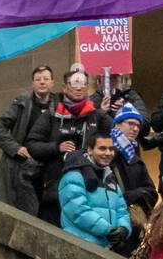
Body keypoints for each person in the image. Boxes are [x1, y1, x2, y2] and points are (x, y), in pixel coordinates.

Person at [25, 68, 112, 226]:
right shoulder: (51, 114)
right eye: (74, 84)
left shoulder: (97, 116)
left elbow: (112, 143)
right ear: (65, 87)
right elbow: (32, 144)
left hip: (89, 188)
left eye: (83, 84)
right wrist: (57, 147)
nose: (79, 88)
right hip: (55, 189)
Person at [0, 65, 57, 211]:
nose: (42, 82)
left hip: (50, 168)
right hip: (22, 167)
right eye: (37, 79)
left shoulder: (60, 105)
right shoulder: (22, 103)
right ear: (32, 84)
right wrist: (15, 148)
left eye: (46, 79)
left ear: (52, 83)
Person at [57, 132, 132, 252]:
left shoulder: (110, 178)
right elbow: (78, 210)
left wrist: (124, 229)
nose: (108, 153)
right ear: (90, 150)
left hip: (107, 250)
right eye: (102, 148)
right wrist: (109, 231)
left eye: (111, 149)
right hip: (79, 247)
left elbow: (122, 210)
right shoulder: (73, 175)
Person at [110, 104, 158, 247]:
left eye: (138, 125)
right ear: (117, 125)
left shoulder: (135, 158)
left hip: (134, 226)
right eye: (130, 123)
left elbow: (152, 192)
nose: (135, 128)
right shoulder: (106, 153)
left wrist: (135, 195)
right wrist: (132, 196)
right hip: (112, 223)